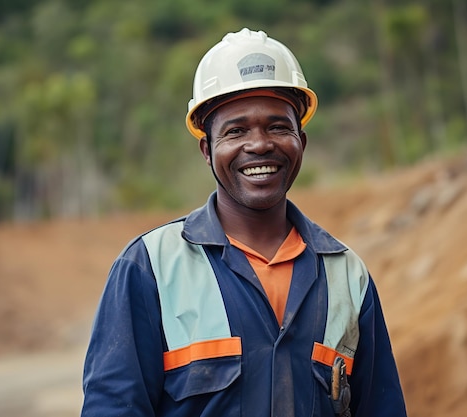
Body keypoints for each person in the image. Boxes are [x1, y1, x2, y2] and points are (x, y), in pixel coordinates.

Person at [80, 28, 407, 417]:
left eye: (277, 126)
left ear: (301, 140)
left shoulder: (347, 277)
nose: (259, 144)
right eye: (235, 131)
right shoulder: (151, 268)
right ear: (207, 149)